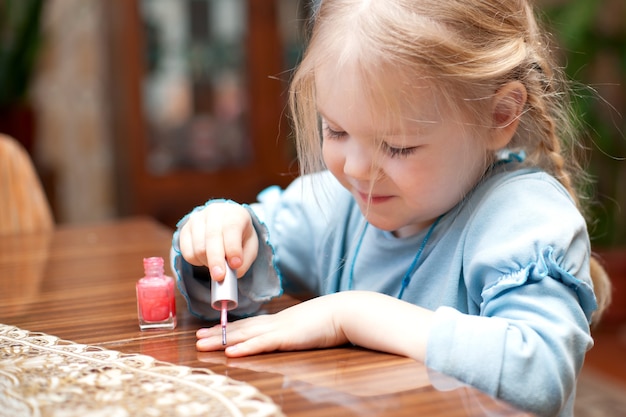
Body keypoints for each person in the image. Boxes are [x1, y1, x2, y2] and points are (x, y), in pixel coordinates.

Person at [170, 1, 612, 416]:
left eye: (398, 146)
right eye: (336, 130)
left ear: (498, 116)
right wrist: (222, 238)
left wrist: (353, 314)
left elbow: (537, 375)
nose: (358, 169)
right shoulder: (336, 202)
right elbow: (236, 275)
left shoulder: (523, 217)